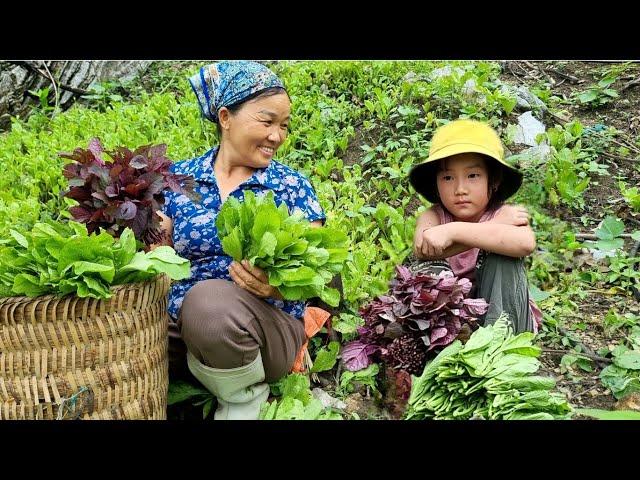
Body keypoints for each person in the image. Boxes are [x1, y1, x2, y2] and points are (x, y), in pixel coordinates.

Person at [155, 61, 325, 420]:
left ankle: (243, 401)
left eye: (283, 126)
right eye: (267, 122)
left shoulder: (291, 186)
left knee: (208, 304)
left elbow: (319, 270)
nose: (277, 136)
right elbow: (157, 251)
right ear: (225, 117)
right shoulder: (178, 179)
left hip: (263, 333)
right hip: (177, 330)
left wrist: (277, 287)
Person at [408, 119, 542, 334]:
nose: (460, 189)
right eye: (448, 177)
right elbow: (423, 248)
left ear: (494, 180)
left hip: (501, 317)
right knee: (431, 271)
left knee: (503, 256)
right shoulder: (433, 216)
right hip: (449, 325)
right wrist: (493, 226)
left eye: (473, 176)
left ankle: (501, 349)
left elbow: (525, 243)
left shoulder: (505, 214)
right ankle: (442, 349)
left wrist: (453, 232)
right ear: (436, 183)